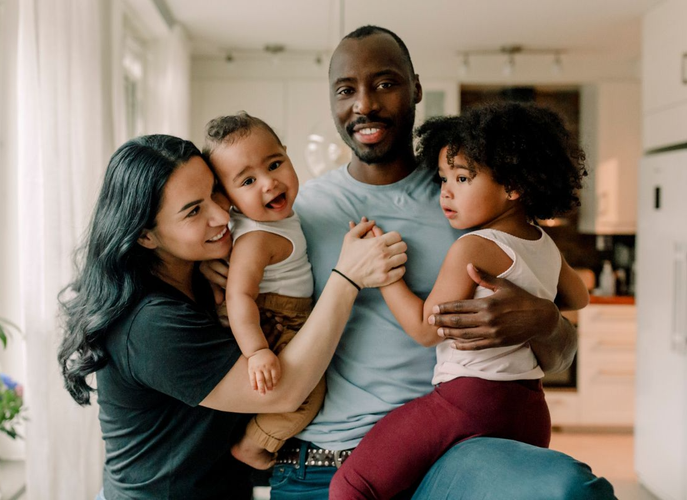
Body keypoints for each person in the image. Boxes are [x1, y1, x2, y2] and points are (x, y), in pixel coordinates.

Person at [263, 25, 615, 499]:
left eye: (386, 84)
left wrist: (544, 321)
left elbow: (561, 344)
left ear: (417, 90)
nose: (364, 105)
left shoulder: (470, 204)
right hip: (312, 467)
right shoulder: (301, 213)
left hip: (445, 464)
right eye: (346, 90)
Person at [56, 134, 407, 499]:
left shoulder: (202, 275)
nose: (222, 215)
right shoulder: (150, 323)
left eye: (215, 192)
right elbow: (283, 394)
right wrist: (347, 278)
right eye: (194, 211)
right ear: (146, 236)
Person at [329, 104, 591, 499]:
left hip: (467, 404)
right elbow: (579, 296)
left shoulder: (474, 247)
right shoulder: (544, 245)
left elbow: (424, 329)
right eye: (443, 178)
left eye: (463, 177)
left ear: (513, 185)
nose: (446, 191)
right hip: (531, 412)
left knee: (352, 485)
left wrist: (383, 273)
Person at [202, 112, 325, 470]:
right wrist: (256, 351)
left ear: (287, 154)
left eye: (275, 164)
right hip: (274, 317)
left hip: (286, 312)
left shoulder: (274, 218)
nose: (269, 183)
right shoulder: (257, 238)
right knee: (305, 394)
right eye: (248, 180)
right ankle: (253, 444)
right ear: (226, 196)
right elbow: (239, 295)